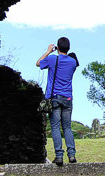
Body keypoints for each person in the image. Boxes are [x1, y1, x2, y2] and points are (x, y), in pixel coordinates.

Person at [36, 37, 79, 165]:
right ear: (68, 48)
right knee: (67, 127)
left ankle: (59, 156)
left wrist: (49, 51)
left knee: (55, 127)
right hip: (68, 98)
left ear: (58, 48)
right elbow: (74, 62)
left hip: (54, 97)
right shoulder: (72, 62)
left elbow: (38, 63)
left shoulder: (52, 58)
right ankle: (71, 155)